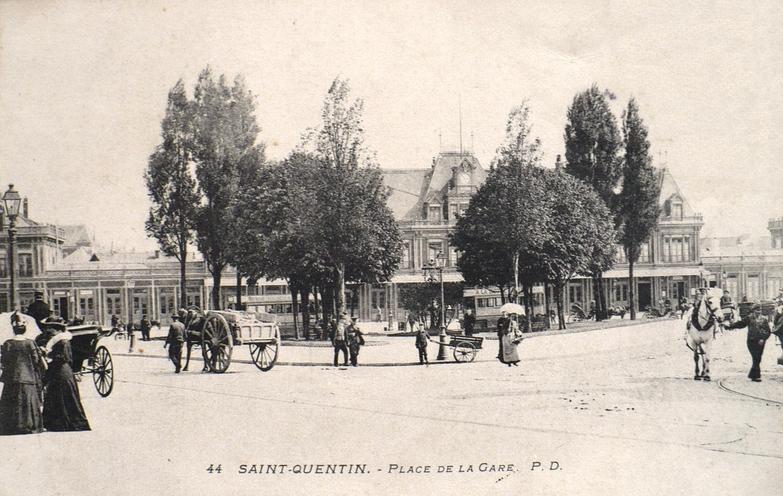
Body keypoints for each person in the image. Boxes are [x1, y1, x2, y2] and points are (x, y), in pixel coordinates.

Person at [0, 313, 44, 435]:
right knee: (29, 400)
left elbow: (4, 361)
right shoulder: (30, 343)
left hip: (12, 378)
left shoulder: (8, 343)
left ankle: (12, 426)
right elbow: (36, 360)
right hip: (28, 377)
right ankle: (29, 425)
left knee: (11, 400)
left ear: (13, 330)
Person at [41, 322, 91, 431]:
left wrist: (48, 354)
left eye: (52, 329)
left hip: (61, 371)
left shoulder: (62, 341)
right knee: (63, 395)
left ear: (58, 330)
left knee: (61, 395)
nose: (50, 331)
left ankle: (61, 423)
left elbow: (61, 357)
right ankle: (58, 422)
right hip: (63, 371)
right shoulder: (62, 340)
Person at [725, 303, 772, 382]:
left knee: (758, 358)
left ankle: (753, 375)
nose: (758, 312)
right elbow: (740, 324)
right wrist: (729, 326)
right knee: (755, 357)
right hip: (751, 341)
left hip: (761, 342)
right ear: (753, 311)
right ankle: (756, 376)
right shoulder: (749, 318)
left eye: (759, 310)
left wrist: (763, 339)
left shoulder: (764, 319)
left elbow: (768, 331)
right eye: (757, 310)